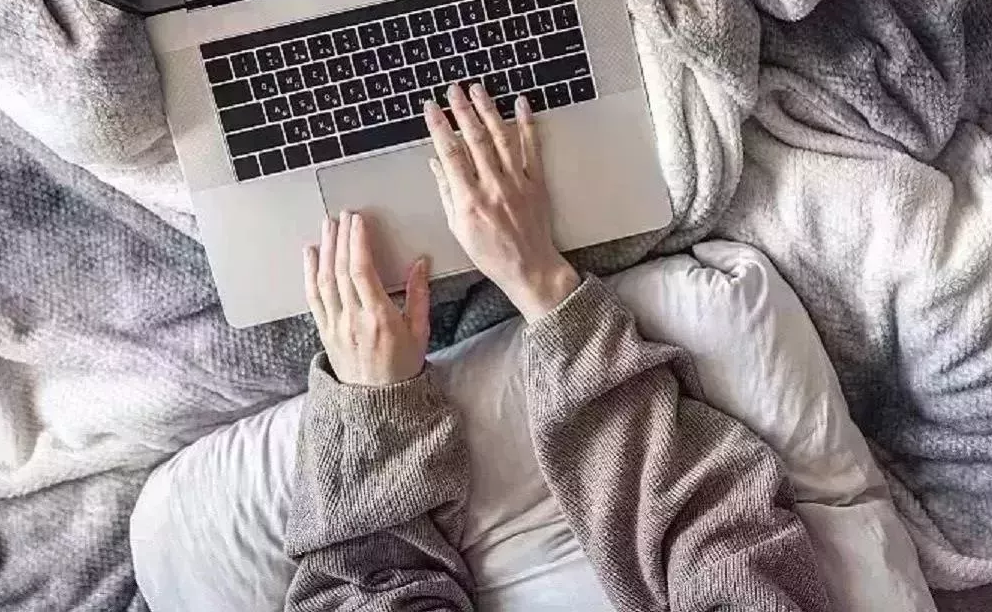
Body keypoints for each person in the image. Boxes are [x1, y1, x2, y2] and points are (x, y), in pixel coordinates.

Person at [284, 82, 831, 611]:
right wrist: (540, 280)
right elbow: (720, 533)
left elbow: (362, 586)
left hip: (381, 392)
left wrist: (374, 416)